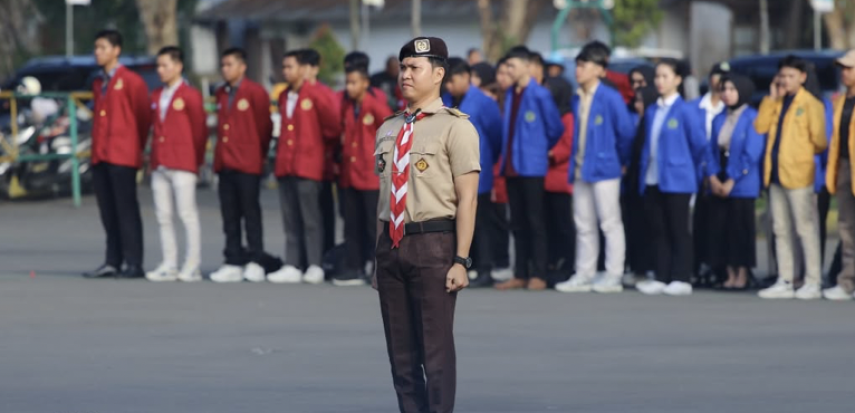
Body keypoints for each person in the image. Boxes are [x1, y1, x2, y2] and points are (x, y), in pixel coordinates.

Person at [373, 36, 480, 413]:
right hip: (392, 245)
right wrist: (378, 256)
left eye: (414, 68)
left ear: (437, 74)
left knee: (434, 352)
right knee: (400, 354)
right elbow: (384, 199)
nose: (405, 75)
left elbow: (467, 197)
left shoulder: (456, 128)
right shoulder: (388, 128)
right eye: (403, 67)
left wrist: (461, 259)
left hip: (433, 243)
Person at [555, 44, 635, 294]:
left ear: (600, 70)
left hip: (606, 169)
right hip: (581, 168)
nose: (578, 70)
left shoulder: (610, 97)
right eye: (577, 65)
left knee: (610, 223)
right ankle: (584, 273)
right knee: (584, 223)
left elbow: (625, 134)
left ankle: (613, 274)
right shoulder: (577, 97)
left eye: (583, 66)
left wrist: (620, 162)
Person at [754, 55, 827, 300]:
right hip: (775, 174)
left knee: (805, 228)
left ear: (802, 77)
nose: (785, 81)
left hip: (799, 173)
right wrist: (771, 97)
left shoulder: (810, 104)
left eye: (791, 76)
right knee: (780, 229)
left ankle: (812, 280)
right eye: (782, 76)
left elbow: (819, 141)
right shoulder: (776, 102)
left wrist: (799, 154)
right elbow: (760, 127)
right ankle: (785, 278)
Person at [494, 46, 564, 291]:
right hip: (511, 165)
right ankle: (520, 272)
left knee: (536, 221)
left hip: (532, 166)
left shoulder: (539, 94)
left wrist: (538, 147)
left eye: (512, 66)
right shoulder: (512, 93)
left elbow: (555, 128)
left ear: (526, 66)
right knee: (517, 222)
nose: (508, 71)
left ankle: (539, 273)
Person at [265, 50, 339, 285]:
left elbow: (332, 127)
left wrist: (314, 149)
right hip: (286, 163)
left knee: (310, 218)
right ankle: (293, 264)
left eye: (290, 67)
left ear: (302, 69)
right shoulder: (285, 95)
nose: (286, 71)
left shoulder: (316, 94)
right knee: (290, 218)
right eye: (284, 67)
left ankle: (315, 263)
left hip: (308, 164)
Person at [635, 59, 707, 296]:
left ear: (677, 80)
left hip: (678, 179)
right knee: (658, 229)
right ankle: (662, 275)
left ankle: (681, 276)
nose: (659, 81)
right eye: (657, 77)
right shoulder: (653, 109)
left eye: (665, 76)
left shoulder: (686, 110)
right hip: (653, 177)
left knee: (678, 228)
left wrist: (691, 173)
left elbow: (699, 146)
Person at [83, 30, 151, 280]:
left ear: (116, 50)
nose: (97, 52)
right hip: (101, 153)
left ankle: (134, 262)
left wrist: (136, 146)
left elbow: (144, 116)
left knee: (126, 210)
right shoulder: (98, 82)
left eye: (102, 47)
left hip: (123, 154)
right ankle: (113, 260)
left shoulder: (131, 81)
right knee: (108, 211)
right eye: (96, 48)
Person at [209, 48, 275, 283]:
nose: (225, 69)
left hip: (247, 162)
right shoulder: (220, 92)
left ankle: (256, 259)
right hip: (225, 162)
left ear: (242, 66)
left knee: (250, 213)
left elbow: (265, 127)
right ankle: (233, 259)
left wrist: (259, 154)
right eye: (223, 65)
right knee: (229, 215)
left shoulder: (255, 92)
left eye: (229, 64)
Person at [145, 46, 207, 283]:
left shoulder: (190, 95)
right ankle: (169, 262)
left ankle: (192, 264)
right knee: (163, 216)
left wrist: (197, 161)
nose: (161, 70)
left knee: (187, 214)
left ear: (178, 66)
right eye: (158, 66)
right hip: (160, 162)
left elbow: (199, 131)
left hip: (183, 162)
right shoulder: (157, 95)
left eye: (165, 65)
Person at [330, 52, 392, 287]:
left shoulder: (375, 104)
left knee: (372, 224)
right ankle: (354, 266)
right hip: (349, 174)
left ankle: (377, 266)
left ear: (365, 83)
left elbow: (389, 133)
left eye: (354, 82)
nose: (349, 87)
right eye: (347, 82)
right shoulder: (347, 105)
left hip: (370, 175)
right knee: (351, 224)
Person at [443, 57, 502, 287]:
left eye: (453, 80)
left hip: (479, 169)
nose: (449, 86)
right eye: (446, 81)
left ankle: (486, 267)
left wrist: (489, 160)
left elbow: (496, 135)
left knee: (482, 222)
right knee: (458, 220)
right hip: (451, 172)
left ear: (467, 76)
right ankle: (470, 264)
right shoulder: (446, 100)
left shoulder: (483, 102)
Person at [705, 74, 764, 290]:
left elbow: (751, 153)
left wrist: (732, 179)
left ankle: (742, 273)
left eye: (731, 89)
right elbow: (710, 150)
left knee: (741, 228)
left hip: (742, 181)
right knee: (722, 228)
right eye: (724, 89)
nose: (726, 94)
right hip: (719, 175)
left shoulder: (752, 117)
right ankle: (728, 272)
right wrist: (712, 176)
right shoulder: (719, 117)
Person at [691, 62, 728, 285]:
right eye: (716, 75)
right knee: (696, 223)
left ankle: (716, 268)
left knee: (717, 224)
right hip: (695, 171)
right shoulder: (695, 106)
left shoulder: (729, 109)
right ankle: (697, 266)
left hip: (718, 172)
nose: (719, 80)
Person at [301, 49, 341, 261]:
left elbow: (334, 127)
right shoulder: (293, 94)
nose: (302, 72)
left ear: (315, 69)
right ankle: (304, 258)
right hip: (299, 166)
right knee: (303, 216)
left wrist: (324, 151)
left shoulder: (323, 94)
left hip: (321, 165)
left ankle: (325, 257)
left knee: (323, 214)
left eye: (306, 67)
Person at [823, 50, 855, 301]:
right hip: (845, 166)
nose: (845, 73)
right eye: (842, 68)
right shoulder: (841, 100)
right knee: (846, 228)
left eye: (849, 68)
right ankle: (847, 282)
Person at [623, 86, 658, 283]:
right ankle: (638, 268)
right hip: (635, 180)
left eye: (641, 102)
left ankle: (651, 268)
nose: (637, 106)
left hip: (650, 179)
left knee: (650, 226)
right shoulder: (638, 122)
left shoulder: (652, 122)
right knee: (635, 226)